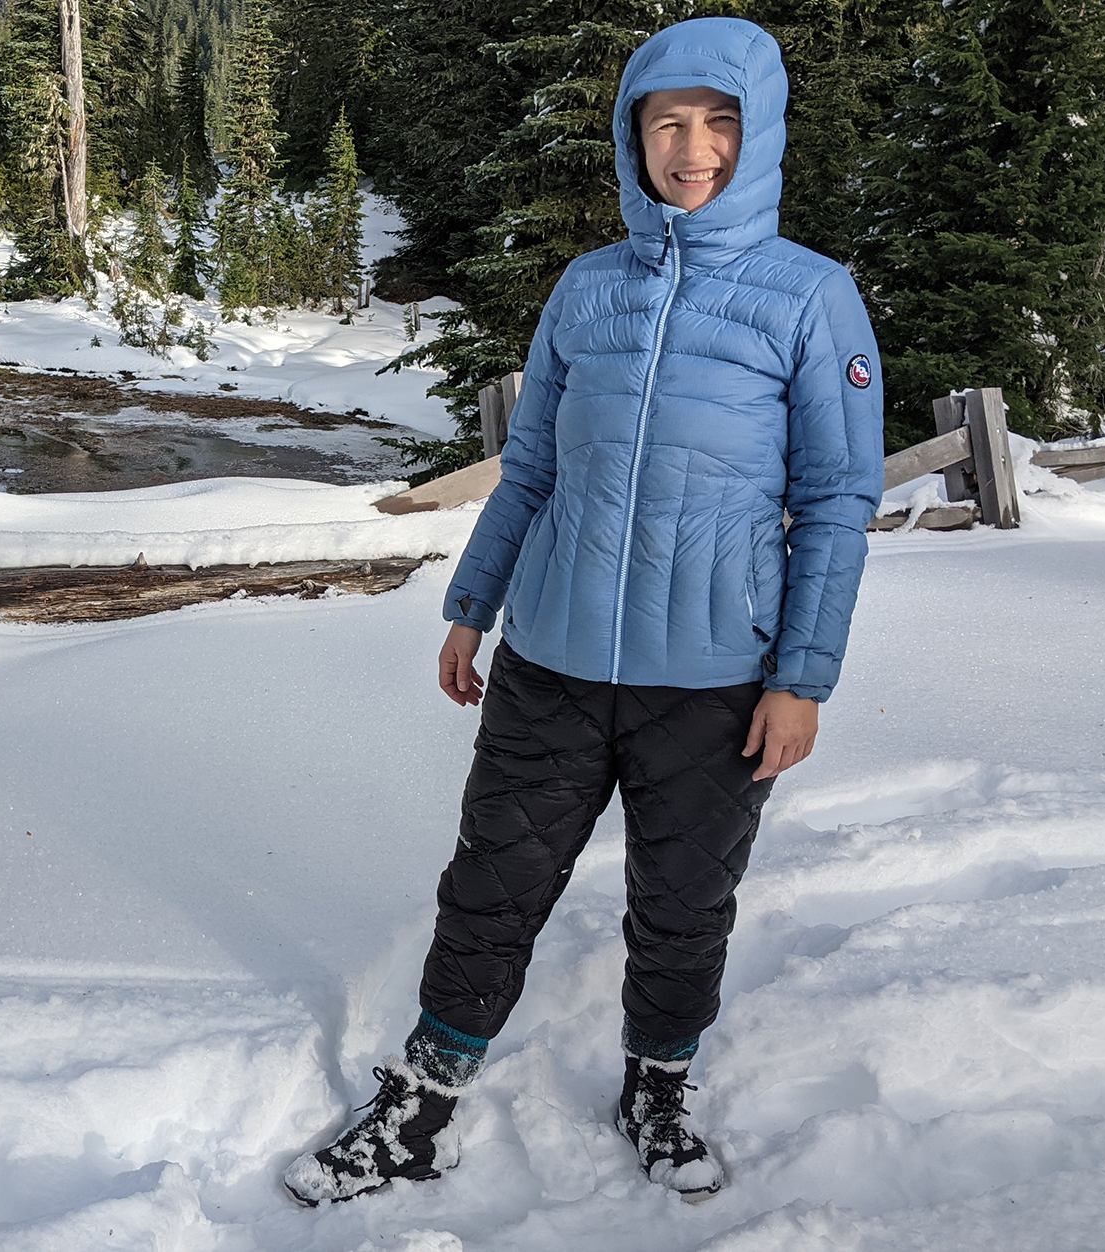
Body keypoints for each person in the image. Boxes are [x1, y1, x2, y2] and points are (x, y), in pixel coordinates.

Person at [284, 16, 883, 1206]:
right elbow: (535, 468)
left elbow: (832, 500)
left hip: (715, 678)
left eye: (719, 122)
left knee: (681, 901)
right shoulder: (588, 287)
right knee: (490, 882)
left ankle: (658, 1081)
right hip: (550, 657)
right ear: (632, 133)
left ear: (753, 137)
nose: (692, 147)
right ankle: (425, 1094)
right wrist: (472, 602)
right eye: (668, 120)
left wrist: (800, 678)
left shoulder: (808, 298)